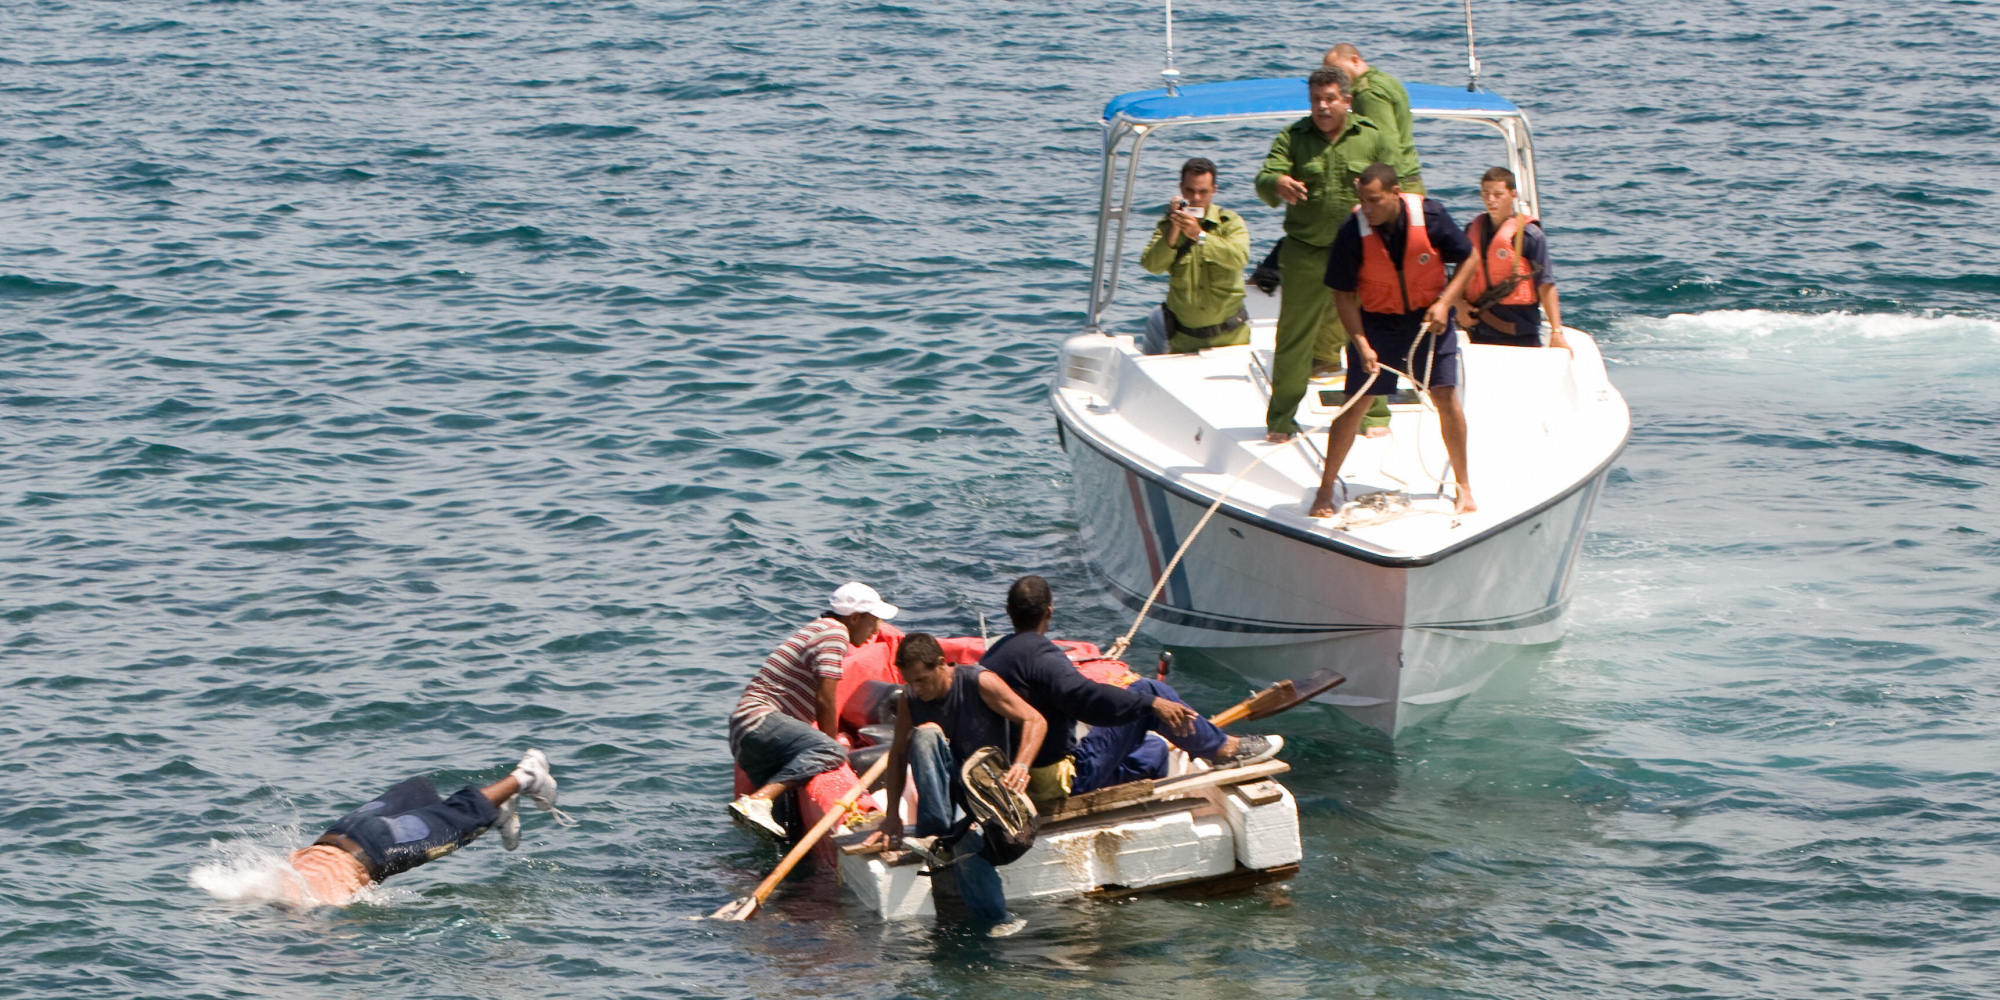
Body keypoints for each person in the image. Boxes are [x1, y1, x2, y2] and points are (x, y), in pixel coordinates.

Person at [980, 575, 1282, 802]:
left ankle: (1154, 772)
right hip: (1064, 782)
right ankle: (1224, 749)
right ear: (1049, 611)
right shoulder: (1043, 656)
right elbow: (1085, 699)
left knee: (1154, 751)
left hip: (1019, 778)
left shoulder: (991, 658)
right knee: (1151, 692)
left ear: (1009, 611)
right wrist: (1147, 705)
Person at [1309, 163, 1477, 518]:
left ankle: (1463, 485)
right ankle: (1325, 488)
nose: (1367, 209)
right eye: (1363, 201)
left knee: (1445, 396)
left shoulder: (1430, 217)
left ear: (1395, 193)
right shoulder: (1352, 231)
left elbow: (1469, 257)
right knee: (1356, 403)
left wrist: (1445, 304)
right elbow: (1342, 294)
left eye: (1375, 201)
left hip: (1427, 322)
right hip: (1377, 324)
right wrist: (1361, 343)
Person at [1255, 67, 1401, 443]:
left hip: (1363, 252)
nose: (1322, 107)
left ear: (1347, 101)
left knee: (1369, 332)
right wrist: (1278, 182)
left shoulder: (1371, 137)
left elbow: (1396, 183)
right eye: (1316, 100)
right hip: (1306, 253)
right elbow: (1265, 179)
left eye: (1330, 99)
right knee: (1294, 337)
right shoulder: (1294, 137)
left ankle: (1375, 412)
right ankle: (1282, 420)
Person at [870, 632, 1047, 934]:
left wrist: (1021, 764)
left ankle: (999, 919)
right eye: (909, 682)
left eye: (922, 680)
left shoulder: (980, 683)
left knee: (969, 850)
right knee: (924, 735)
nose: (915, 688)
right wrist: (890, 819)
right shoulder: (911, 700)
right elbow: (898, 756)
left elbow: (1035, 720)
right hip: (948, 794)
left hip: (986, 791)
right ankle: (935, 832)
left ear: (941, 664)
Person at [280, 749, 567, 907]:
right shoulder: (269, 880)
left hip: (376, 849)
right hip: (343, 832)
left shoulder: (311, 906)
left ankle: (526, 776)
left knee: (454, 826)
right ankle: (498, 810)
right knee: (429, 804)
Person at [728, 581, 899, 838]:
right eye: (873, 621)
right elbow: (825, 696)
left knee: (781, 825)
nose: (877, 630)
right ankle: (759, 800)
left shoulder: (819, 628)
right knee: (831, 751)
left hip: (747, 729)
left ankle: (762, 809)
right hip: (761, 720)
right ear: (855, 618)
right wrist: (829, 745)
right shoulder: (834, 634)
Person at [1438, 166, 1567, 352]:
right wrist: (1459, 305)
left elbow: (1545, 285)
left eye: (1498, 194)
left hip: (1520, 330)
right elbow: (1459, 275)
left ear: (1513, 194)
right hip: (1478, 327)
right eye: (1486, 193)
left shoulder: (1530, 236)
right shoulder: (1471, 230)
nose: (1491, 200)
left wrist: (1556, 332)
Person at [1139, 157, 1251, 355]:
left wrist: (1199, 235)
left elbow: (1239, 258)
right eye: (1190, 191)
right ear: (1181, 189)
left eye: (1203, 191)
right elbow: (1152, 265)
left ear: (1214, 190)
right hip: (1185, 340)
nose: (1196, 198)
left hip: (1231, 338)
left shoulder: (1229, 222)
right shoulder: (1168, 225)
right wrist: (1174, 229)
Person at [1322, 44, 1425, 193]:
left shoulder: (1368, 94)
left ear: (1355, 60)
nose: (1335, 79)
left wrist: (1391, 190)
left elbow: (1387, 143)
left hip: (1398, 184)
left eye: (1337, 71)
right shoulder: (1385, 80)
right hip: (1409, 178)